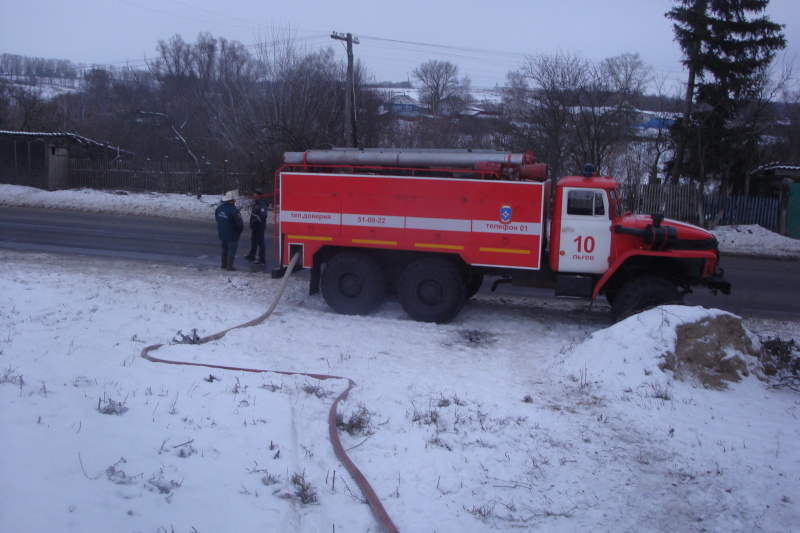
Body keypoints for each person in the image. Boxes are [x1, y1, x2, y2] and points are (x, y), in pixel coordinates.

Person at [215, 190, 243, 271]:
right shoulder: (234, 211)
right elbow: (239, 224)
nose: (235, 201)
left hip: (222, 233)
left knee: (224, 248)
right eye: (234, 200)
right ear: (231, 201)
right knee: (231, 249)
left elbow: (217, 219)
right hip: (232, 234)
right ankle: (229, 266)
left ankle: (223, 264)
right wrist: (239, 231)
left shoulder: (219, 208)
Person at [244, 188, 269, 265]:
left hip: (259, 226)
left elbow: (263, 215)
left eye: (255, 195)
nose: (254, 196)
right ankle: (252, 255)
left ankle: (262, 258)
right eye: (254, 195)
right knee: (253, 241)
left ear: (259, 196)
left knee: (260, 242)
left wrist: (256, 220)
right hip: (255, 226)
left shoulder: (262, 204)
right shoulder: (257, 203)